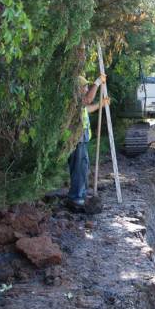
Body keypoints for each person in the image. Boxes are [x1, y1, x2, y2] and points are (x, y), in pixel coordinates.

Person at [67, 74, 108, 211]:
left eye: (86, 86)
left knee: (83, 168)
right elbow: (88, 100)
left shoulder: (79, 103)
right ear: (77, 89)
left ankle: (80, 195)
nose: (86, 89)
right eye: (84, 86)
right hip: (77, 139)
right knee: (79, 168)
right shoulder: (74, 100)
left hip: (81, 139)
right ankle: (76, 197)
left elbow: (87, 108)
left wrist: (100, 105)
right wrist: (97, 83)